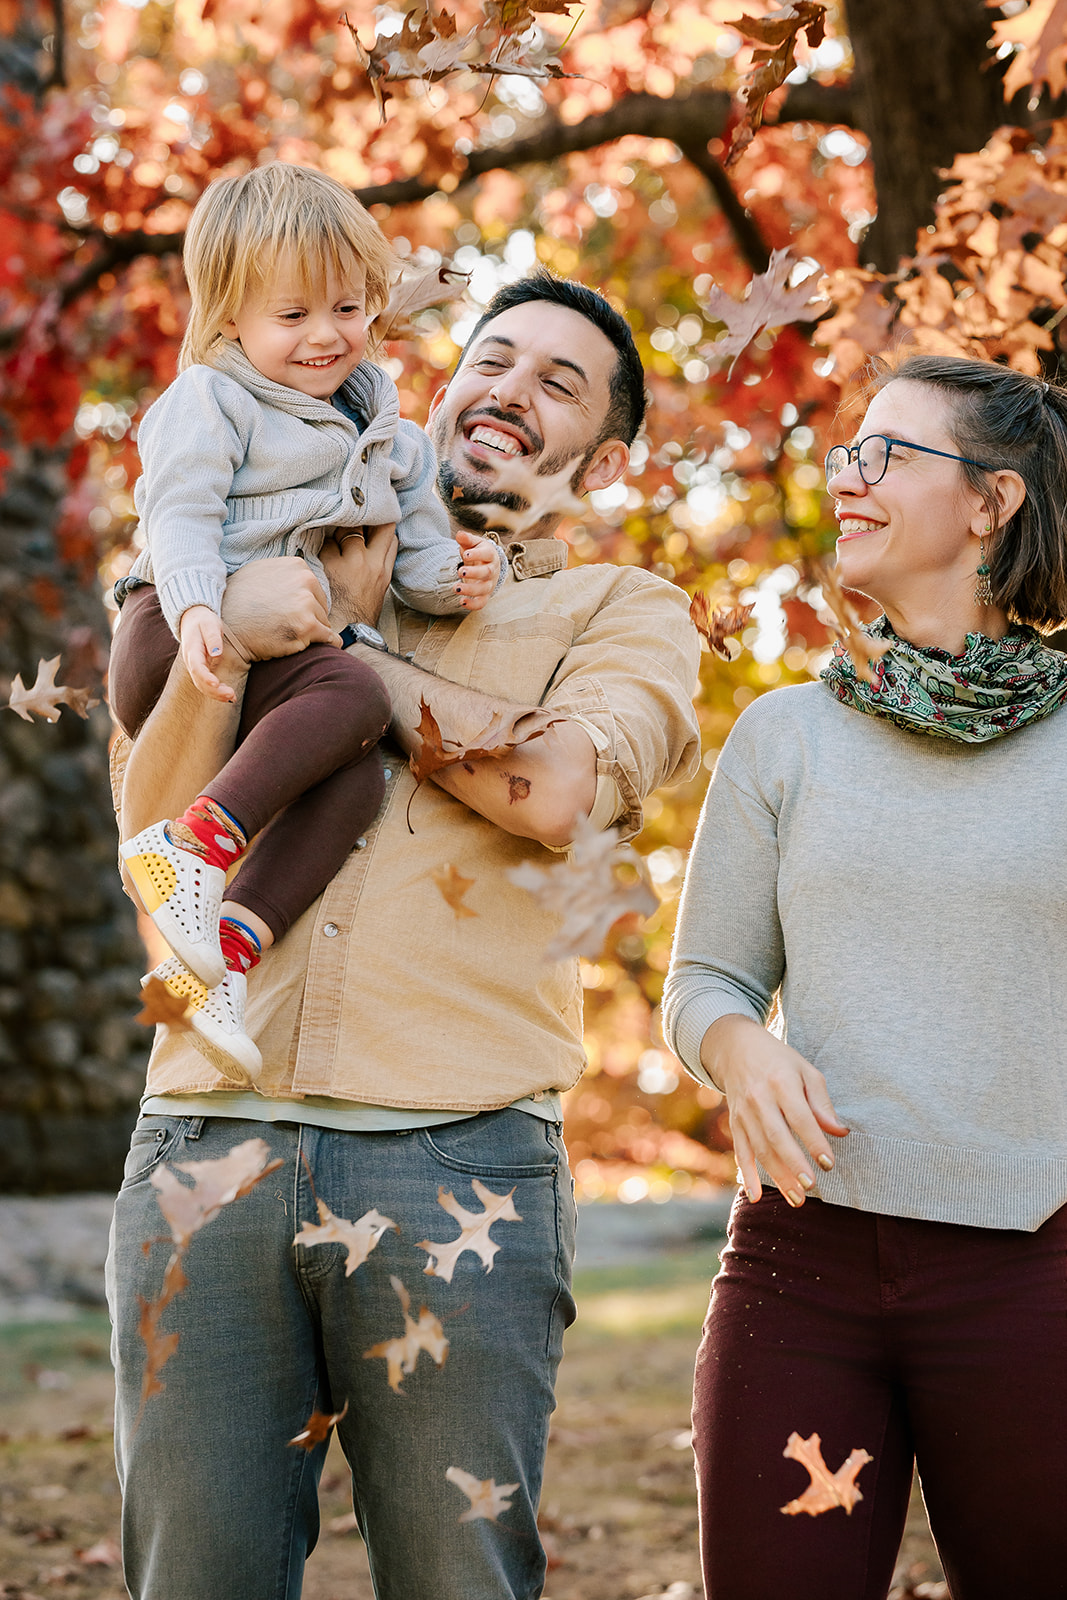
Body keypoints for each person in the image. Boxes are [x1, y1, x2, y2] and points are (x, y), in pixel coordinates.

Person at [105, 271, 701, 1600]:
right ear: (437, 394)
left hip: (460, 1167)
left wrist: (349, 660)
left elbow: (550, 789)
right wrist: (270, 602)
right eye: (492, 360)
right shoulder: (261, 560)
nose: (510, 390)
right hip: (208, 1141)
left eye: (559, 382)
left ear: (600, 457)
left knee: (456, 1581)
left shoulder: (619, 613)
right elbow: (149, 796)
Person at [662, 353, 1067, 1600]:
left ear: (990, 502)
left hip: (1032, 1276)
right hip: (799, 1274)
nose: (849, 478)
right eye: (849, 451)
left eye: (887, 453)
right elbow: (705, 983)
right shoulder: (784, 734)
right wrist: (739, 1049)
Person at [110, 162, 501, 1081]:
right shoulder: (213, 398)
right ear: (229, 321)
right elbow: (180, 511)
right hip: (176, 633)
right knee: (358, 690)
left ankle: (224, 959)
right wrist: (204, 605)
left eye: (347, 308)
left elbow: (414, 561)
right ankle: (190, 848)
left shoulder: (393, 442)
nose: (327, 336)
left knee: (356, 784)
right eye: (292, 316)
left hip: (286, 660)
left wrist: (458, 576)